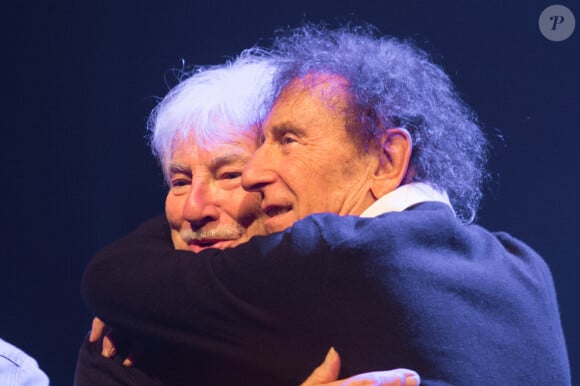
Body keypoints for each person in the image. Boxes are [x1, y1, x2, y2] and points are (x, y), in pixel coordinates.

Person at [81, 24, 571, 384]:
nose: (256, 174)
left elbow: (113, 279)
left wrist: (133, 291)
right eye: (179, 181)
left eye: (288, 141)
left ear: (386, 159)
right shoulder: (524, 267)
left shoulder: (337, 255)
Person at [75, 51, 420, 386]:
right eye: (180, 182)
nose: (194, 210)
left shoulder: (371, 304)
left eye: (229, 175)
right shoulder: (128, 345)